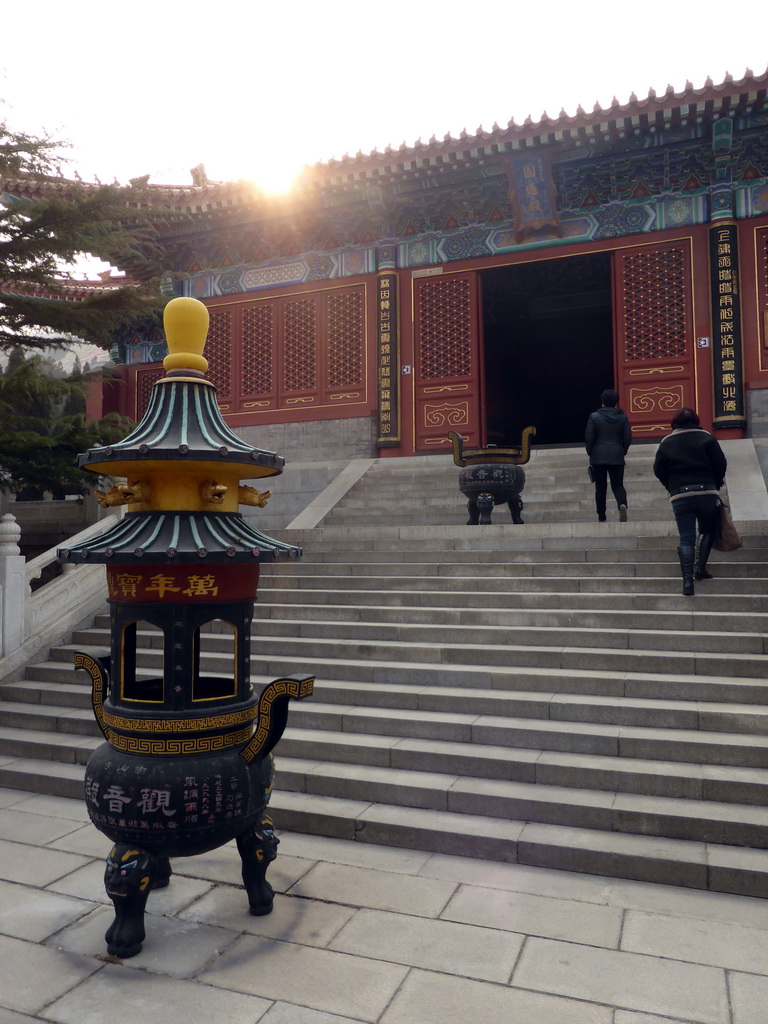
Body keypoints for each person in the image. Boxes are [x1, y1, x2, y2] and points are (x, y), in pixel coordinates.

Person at [653, 407, 727, 597]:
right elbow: (720, 463)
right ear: (696, 419)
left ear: (674, 422)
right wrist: (716, 483)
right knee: (706, 530)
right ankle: (700, 569)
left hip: (680, 495)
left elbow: (658, 469)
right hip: (706, 492)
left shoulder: (666, 441)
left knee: (686, 537)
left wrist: (671, 486)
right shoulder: (707, 437)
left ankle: (687, 583)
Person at [585, 389, 632, 523]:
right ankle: (622, 504)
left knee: (600, 487)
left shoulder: (594, 416)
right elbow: (627, 437)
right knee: (618, 485)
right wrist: (622, 450)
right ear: (616, 402)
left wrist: (590, 451)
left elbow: (589, 436)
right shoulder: (622, 417)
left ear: (602, 402)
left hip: (598, 455)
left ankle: (601, 515)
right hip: (616, 453)